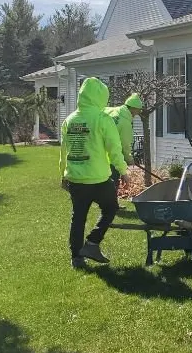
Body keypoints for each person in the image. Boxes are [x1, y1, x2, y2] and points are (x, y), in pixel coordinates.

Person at [59, 77, 129, 269]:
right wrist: (124, 171)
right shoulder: (102, 119)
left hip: (75, 178)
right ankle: (92, 243)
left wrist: (62, 175)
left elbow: (64, 151)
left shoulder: (69, 120)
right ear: (101, 97)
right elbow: (115, 149)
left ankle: (76, 258)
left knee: (78, 216)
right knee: (111, 208)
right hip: (98, 178)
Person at [105, 92, 144, 168]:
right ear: (133, 108)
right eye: (138, 111)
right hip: (112, 160)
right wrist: (129, 159)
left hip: (98, 154)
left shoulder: (111, 110)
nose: (137, 114)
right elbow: (125, 145)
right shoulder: (126, 123)